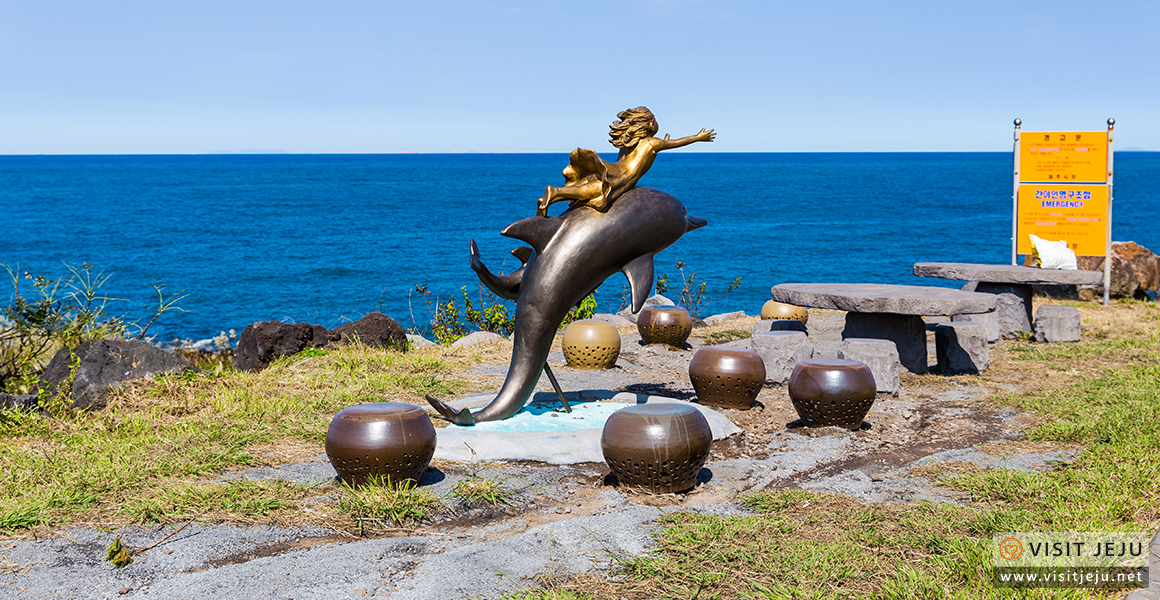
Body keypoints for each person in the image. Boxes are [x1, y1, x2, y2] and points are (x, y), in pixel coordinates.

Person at [536, 107, 715, 216]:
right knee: (599, 191)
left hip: (612, 169)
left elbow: (635, 156)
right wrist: (698, 138)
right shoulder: (651, 143)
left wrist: (663, 142)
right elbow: (678, 142)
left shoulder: (628, 144)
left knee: (586, 187)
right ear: (650, 125)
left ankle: (554, 198)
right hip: (624, 176)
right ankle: (556, 192)